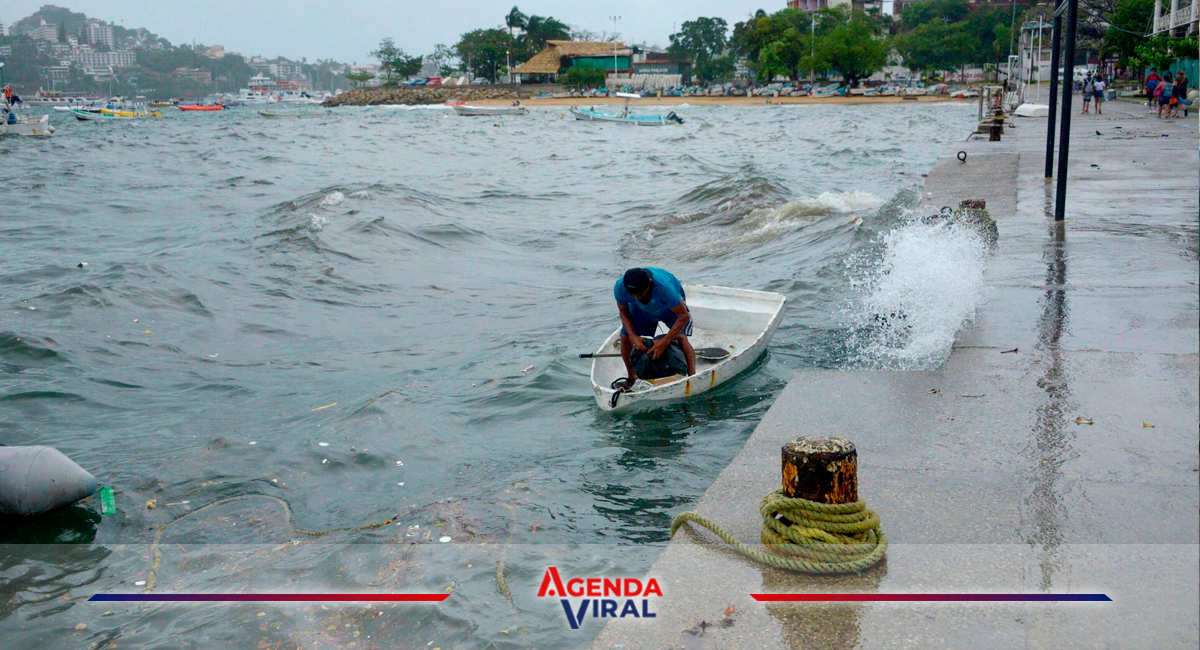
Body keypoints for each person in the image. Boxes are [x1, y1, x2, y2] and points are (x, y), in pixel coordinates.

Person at [614, 267, 696, 385]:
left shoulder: (665, 288)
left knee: (681, 337)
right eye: (633, 295)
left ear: (650, 284)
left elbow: (684, 316)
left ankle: (692, 376)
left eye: (641, 294)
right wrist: (633, 337)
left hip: (668, 307)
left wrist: (665, 341)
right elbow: (623, 312)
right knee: (625, 336)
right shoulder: (620, 287)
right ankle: (631, 377)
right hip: (639, 310)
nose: (637, 298)